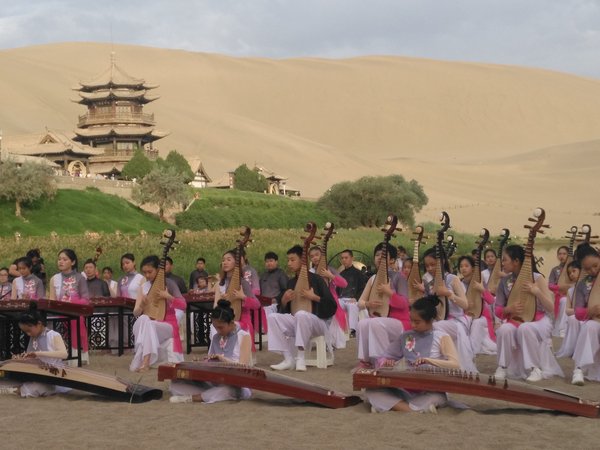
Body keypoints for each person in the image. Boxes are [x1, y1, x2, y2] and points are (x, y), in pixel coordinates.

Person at [365, 295, 460, 413]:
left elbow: (455, 364)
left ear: (430, 320)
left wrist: (428, 361)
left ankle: (396, 407)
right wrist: (386, 363)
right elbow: (385, 356)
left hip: (429, 390)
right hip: (405, 389)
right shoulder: (406, 336)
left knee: (438, 397)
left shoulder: (441, 337)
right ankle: (412, 409)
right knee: (371, 391)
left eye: (417, 322)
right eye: (411, 320)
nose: (413, 325)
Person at [493, 245, 562, 381]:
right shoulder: (504, 281)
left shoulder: (537, 278)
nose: (502, 263)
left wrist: (537, 292)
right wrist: (509, 309)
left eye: (505, 260)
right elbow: (498, 309)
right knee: (504, 330)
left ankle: (534, 369)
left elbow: (550, 308)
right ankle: (502, 367)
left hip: (538, 321)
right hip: (515, 320)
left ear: (516, 261)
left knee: (525, 328)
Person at [268, 245, 337, 371]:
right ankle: (288, 359)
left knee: (301, 314)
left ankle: (301, 358)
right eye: (288, 260)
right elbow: (288, 312)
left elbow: (332, 307)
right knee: (272, 317)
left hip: (318, 323)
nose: (289, 263)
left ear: (303, 261)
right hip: (299, 323)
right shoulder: (291, 282)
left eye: (292, 260)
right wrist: (284, 302)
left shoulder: (317, 280)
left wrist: (315, 297)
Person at [169, 300, 252, 404]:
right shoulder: (216, 337)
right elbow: (209, 363)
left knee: (228, 390)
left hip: (235, 383)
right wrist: (199, 363)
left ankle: (192, 398)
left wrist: (223, 359)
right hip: (216, 380)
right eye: (215, 327)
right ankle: (208, 394)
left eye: (221, 327)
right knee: (175, 384)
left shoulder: (244, 336)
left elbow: (243, 367)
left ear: (231, 323)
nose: (218, 330)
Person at [419, 248, 476, 372]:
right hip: (440, 320)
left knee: (436, 327)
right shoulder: (429, 282)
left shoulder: (452, 278)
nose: (429, 269)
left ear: (442, 262)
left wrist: (449, 294)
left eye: (432, 265)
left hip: (457, 322)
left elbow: (465, 305)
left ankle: (438, 363)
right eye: (427, 266)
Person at [356, 244, 410, 368]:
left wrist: (389, 292)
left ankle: (382, 360)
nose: (380, 257)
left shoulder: (399, 277)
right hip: (380, 320)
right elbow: (360, 303)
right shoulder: (373, 279)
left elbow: (404, 304)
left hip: (400, 322)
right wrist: (368, 304)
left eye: (384, 255)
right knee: (362, 324)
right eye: (377, 255)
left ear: (392, 260)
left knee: (375, 323)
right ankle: (366, 361)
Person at [130, 255, 186, 372]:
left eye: (150, 272)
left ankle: (145, 362)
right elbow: (136, 313)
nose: (147, 275)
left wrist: (168, 297)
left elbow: (183, 305)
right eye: (144, 272)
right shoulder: (144, 287)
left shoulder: (169, 284)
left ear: (158, 270)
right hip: (151, 324)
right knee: (144, 318)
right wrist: (142, 306)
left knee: (148, 323)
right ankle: (146, 360)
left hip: (169, 325)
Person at [0, 304, 69, 398]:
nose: (28, 334)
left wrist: (38, 353)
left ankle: (15, 389)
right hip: (40, 373)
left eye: (29, 330)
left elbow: (64, 354)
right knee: (17, 378)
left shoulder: (53, 335)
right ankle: (16, 388)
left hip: (55, 375)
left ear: (39, 324)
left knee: (36, 387)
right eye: (25, 332)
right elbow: (32, 359)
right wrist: (21, 358)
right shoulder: (34, 338)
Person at [48, 249, 90, 364]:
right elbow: (52, 300)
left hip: (75, 314)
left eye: (65, 259)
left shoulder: (80, 277)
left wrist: (71, 304)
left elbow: (86, 299)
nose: (61, 262)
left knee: (76, 324)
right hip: (58, 315)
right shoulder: (54, 279)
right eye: (59, 259)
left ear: (72, 262)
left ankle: (76, 358)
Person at [212, 249, 260, 351]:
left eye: (228, 260)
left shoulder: (243, 283)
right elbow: (216, 306)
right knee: (215, 326)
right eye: (223, 260)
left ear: (236, 263)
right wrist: (223, 301)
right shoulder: (220, 283)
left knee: (227, 326)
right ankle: (218, 357)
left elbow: (257, 304)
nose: (225, 262)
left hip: (241, 320)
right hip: (224, 318)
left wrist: (242, 297)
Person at [570, 244, 600, 385]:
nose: (593, 270)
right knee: (590, 327)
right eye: (587, 269)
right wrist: (590, 311)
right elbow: (578, 313)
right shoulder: (583, 284)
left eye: (595, 265)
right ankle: (579, 370)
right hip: (596, 320)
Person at [309, 246, 349, 349]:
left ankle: (330, 342)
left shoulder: (330, 269)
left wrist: (330, 275)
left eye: (317, 255)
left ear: (322, 256)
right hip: (314, 301)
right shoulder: (310, 272)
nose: (315, 258)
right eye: (312, 256)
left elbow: (344, 284)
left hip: (330, 302)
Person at [457, 256, 497, 355]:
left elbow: (491, 301)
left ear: (473, 268)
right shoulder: (458, 283)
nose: (463, 268)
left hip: (481, 316)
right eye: (461, 266)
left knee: (477, 323)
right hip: (465, 314)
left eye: (466, 266)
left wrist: (482, 289)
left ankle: (471, 351)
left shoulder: (479, 282)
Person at [555, 260, 582, 358]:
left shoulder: (589, 287)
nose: (571, 274)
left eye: (574, 271)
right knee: (572, 319)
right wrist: (579, 312)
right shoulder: (570, 290)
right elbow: (567, 310)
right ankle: (573, 349)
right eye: (569, 273)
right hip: (577, 316)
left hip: (589, 317)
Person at [338, 249, 366, 337]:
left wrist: (356, 298)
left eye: (346, 258)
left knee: (352, 305)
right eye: (342, 258)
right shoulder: (340, 274)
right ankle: (337, 329)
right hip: (341, 299)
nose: (344, 260)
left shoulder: (359, 273)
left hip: (353, 298)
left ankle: (353, 330)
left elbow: (363, 289)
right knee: (335, 304)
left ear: (352, 258)